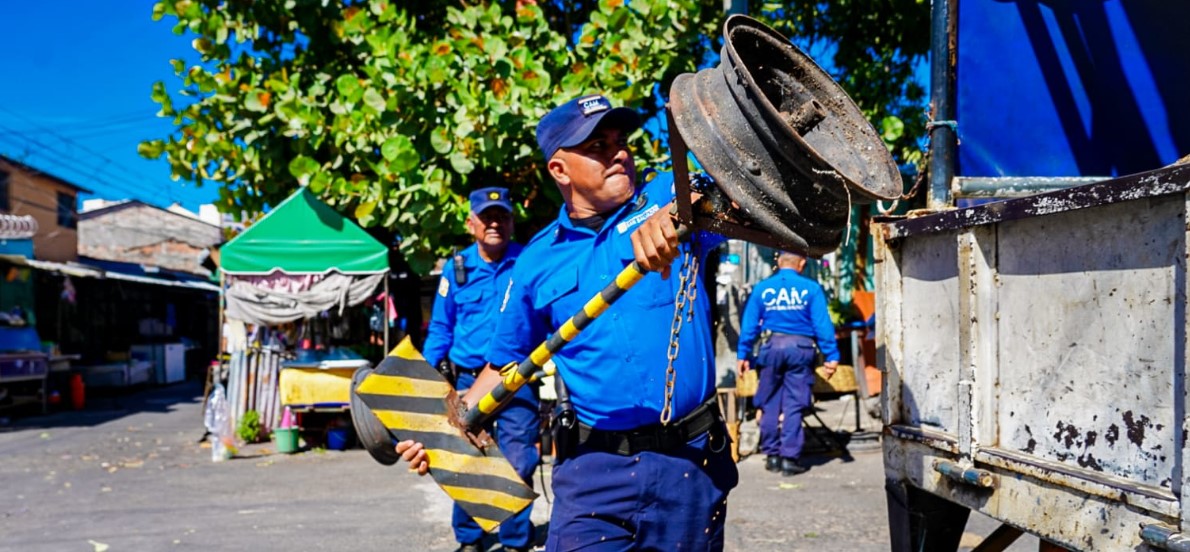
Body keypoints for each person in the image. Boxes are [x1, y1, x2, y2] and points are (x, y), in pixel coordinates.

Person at [398, 93, 738, 551]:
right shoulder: (535, 260)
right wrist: (444, 427)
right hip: (593, 470)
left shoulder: (663, 192)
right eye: (598, 146)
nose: (619, 153)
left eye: (620, 141)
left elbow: (730, 194)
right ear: (560, 170)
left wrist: (681, 211)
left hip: (690, 465)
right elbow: (507, 363)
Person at [420, 187, 539, 552]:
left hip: (517, 378)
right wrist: (425, 377)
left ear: (512, 222)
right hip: (469, 381)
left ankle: (515, 540)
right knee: (468, 459)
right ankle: (470, 539)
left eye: (502, 216)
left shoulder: (528, 262)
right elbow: (441, 328)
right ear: (471, 224)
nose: (494, 224)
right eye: (487, 218)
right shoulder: (456, 270)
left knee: (519, 460)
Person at [736, 250, 839, 476]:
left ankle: (772, 456)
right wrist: (831, 356)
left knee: (769, 402)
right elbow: (822, 325)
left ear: (779, 263)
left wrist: (743, 354)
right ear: (801, 263)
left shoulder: (763, 288)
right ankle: (789, 459)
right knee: (794, 403)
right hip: (801, 348)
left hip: (772, 347)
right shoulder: (811, 288)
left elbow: (750, 325)